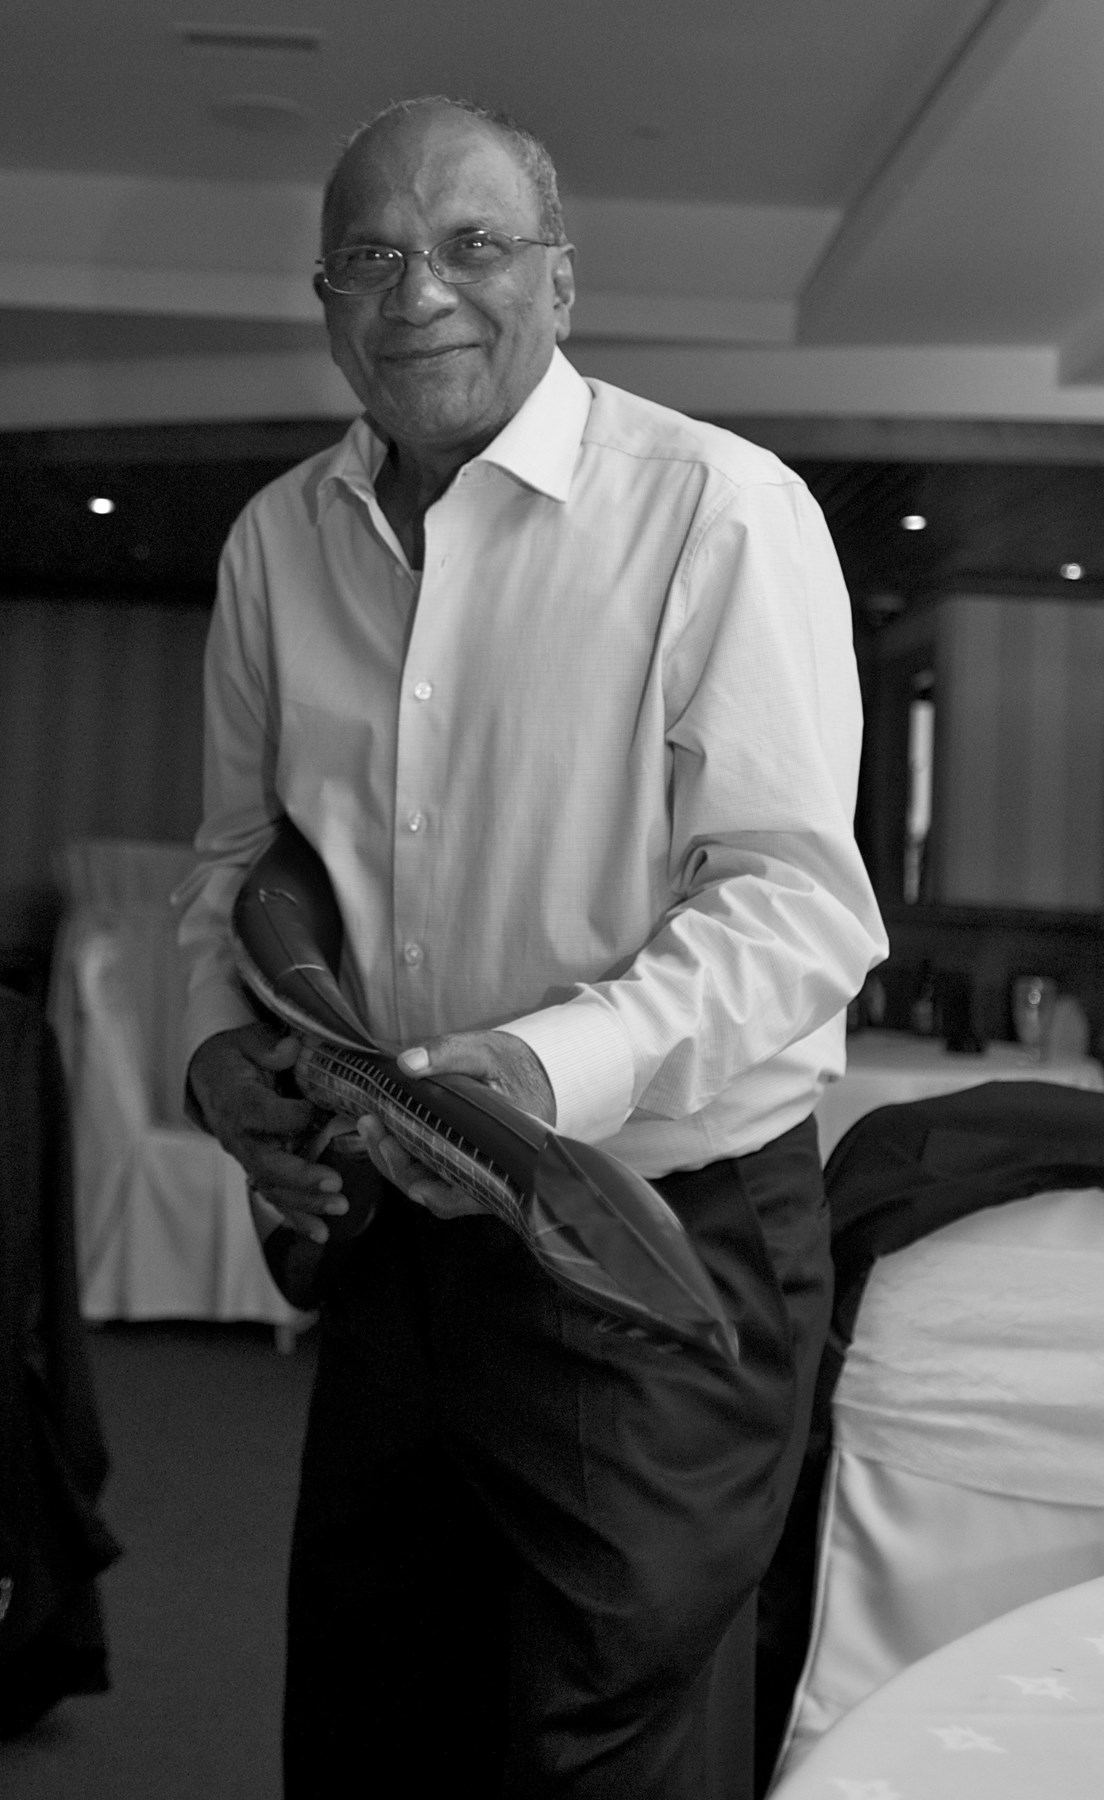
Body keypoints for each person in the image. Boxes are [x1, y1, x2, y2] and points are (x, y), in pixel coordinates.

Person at [177, 95, 887, 1800]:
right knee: (371, 1733)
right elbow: (239, 864)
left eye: (472, 244)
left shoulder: (719, 508)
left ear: (562, 281)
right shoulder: (277, 540)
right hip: (396, 1256)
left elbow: (800, 906)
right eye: (368, 257)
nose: (418, 291)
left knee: (602, 1758)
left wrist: (539, 1076)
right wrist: (215, 1054)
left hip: (654, 1244)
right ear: (326, 302)